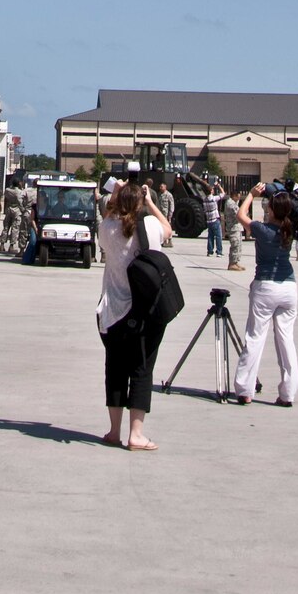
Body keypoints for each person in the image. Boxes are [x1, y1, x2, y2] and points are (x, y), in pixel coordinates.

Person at [96, 179, 173, 450]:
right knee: (141, 370)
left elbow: (106, 218)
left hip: (113, 311)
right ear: (139, 203)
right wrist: (151, 202)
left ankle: (114, 431)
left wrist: (114, 195)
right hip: (145, 311)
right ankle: (136, 434)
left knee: (115, 369)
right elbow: (168, 228)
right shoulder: (149, 226)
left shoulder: (107, 228)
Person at [232, 185, 298, 407]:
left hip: (266, 286)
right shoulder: (289, 230)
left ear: (270, 209)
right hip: (288, 287)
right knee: (285, 339)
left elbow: (240, 215)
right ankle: (288, 393)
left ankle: (245, 389)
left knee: (255, 337)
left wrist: (251, 194)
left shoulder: (263, 230)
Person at [222, 187, 243, 271]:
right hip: (233, 228)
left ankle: (236, 262)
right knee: (235, 245)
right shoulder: (230, 203)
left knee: (238, 245)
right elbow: (238, 213)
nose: (239, 197)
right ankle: (232, 263)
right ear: (234, 195)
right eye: (238, 195)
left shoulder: (234, 202)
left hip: (237, 227)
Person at [203, 182, 223, 257]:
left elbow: (209, 192)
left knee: (210, 236)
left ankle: (210, 251)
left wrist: (213, 187)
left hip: (208, 220)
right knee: (218, 236)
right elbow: (223, 194)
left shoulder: (204, 199)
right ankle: (219, 252)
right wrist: (219, 186)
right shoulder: (214, 199)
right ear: (211, 191)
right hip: (215, 219)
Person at [156, 180, 176, 247]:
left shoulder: (169, 195)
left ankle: (169, 241)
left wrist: (170, 215)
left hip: (166, 215)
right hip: (160, 214)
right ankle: (163, 241)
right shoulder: (159, 194)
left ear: (165, 187)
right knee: (161, 227)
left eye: (162, 186)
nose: (160, 188)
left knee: (168, 227)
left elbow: (172, 205)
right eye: (160, 186)